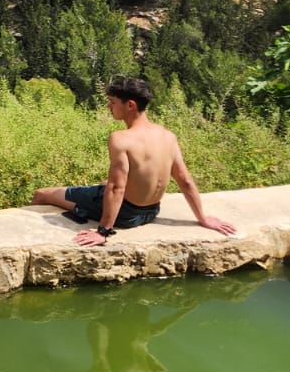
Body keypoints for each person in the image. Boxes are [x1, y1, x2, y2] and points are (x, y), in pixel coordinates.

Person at [32, 76, 237, 247]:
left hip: (126, 216)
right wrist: (203, 218)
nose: (108, 106)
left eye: (112, 102)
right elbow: (185, 181)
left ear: (130, 105)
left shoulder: (121, 139)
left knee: (42, 194)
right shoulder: (168, 136)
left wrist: (103, 231)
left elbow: (116, 188)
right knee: (103, 184)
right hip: (152, 211)